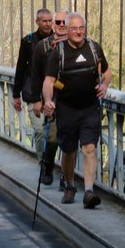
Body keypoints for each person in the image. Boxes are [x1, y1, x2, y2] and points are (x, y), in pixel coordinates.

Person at [42, 12, 112, 209]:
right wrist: (48, 100)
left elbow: (107, 73)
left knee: (90, 148)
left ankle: (89, 191)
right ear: (67, 29)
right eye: (74, 28)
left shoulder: (94, 48)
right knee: (69, 151)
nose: (78, 32)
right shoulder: (59, 53)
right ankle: (70, 184)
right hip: (67, 109)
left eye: (81, 28)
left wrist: (104, 85)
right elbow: (48, 81)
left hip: (90, 107)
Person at [12, 8, 54, 182]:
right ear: (37, 22)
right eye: (44, 21)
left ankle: (50, 163)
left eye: (50, 20)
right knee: (39, 131)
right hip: (32, 93)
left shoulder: (59, 41)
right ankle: (43, 163)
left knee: (54, 135)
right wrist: (16, 95)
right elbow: (20, 68)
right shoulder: (28, 42)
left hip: (53, 95)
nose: (48, 24)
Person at [30, 9, 69, 188]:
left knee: (70, 141)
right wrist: (38, 100)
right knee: (52, 137)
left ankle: (65, 177)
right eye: (58, 22)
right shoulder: (43, 46)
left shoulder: (79, 45)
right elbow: (36, 75)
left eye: (64, 22)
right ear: (54, 25)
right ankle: (48, 165)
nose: (61, 25)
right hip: (51, 100)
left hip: (71, 101)